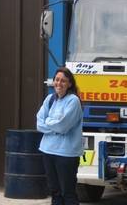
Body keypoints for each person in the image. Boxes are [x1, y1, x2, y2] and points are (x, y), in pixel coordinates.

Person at [36, 67, 83, 205]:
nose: (59, 83)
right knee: (55, 194)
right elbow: (39, 124)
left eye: (63, 81)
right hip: (47, 150)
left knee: (68, 194)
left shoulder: (73, 101)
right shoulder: (50, 99)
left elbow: (63, 126)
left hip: (66, 154)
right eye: (57, 80)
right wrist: (54, 125)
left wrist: (48, 123)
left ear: (69, 84)